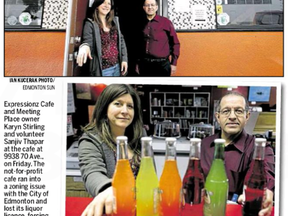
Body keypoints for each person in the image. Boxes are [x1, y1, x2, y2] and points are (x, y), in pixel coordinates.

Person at [201, 91, 275, 216]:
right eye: (226, 111)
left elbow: (266, 174)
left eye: (239, 111)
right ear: (218, 117)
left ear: (247, 116)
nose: (232, 116)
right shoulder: (205, 144)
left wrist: (265, 192)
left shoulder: (259, 147)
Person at [78, 84, 145, 216]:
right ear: (105, 107)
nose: (125, 111)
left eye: (130, 106)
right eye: (118, 104)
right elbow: (92, 173)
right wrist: (109, 189)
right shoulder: (91, 140)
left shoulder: (140, 136)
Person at [76, 0, 128, 77]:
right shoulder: (90, 23)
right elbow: (87, 41)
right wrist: (84, 47)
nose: (106, 5)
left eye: (109, 3)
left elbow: (121, 40)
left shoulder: (114, 22)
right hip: (103, 70)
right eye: (103, 2)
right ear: (97, 5)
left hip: (117, 66)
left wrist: (124, 59)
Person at [136, 0, 180, 76]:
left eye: (152, 5)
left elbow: (175, 43)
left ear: (156, 7)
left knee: (162, 87)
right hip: (145, 65)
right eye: (147, 5)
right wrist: (137, 63)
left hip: (162, 65)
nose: (150, 7)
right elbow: (137, 44)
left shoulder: (166, 22)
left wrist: (174, 63)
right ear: (143, 8)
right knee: (147, 87)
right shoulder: (139, 23)